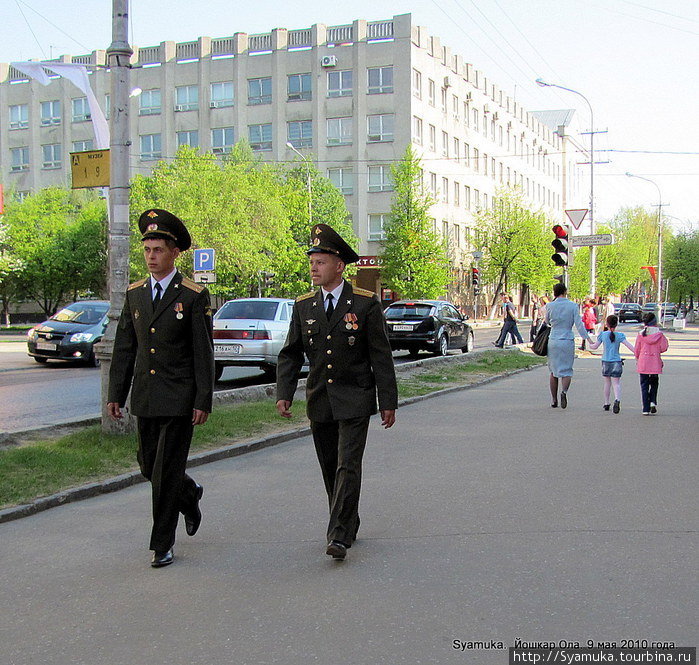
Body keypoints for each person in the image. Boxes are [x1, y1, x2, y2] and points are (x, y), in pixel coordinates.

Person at [276, 223, 398, 562]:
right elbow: (291, 353)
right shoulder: (304, 306)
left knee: (348, 465)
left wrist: (388, 401)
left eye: (321, 261)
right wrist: (283, 392)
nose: (314, 268)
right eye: (312, 261)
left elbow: (380, 356)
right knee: (330, 466)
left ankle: (338, 535)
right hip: (320, 398)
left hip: (356, 397)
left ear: (339, 265)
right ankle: (349, 518)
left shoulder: (364, 303)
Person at [107, 209, 214, 568]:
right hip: (147, 397)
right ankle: (189, 493)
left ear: (174, 253)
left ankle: (161, 544)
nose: (151, 256)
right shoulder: (135, 294)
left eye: (158, 250)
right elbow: (125, 347)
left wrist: (202, 399)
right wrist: (115, 394)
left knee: (165, 472)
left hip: (180, 398)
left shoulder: (193, 295)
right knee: (147, 466)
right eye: (147, 250)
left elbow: (203, 353)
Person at [545, 282, 591, 409]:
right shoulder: (572, 306)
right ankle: (564, 392)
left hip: (553, 339)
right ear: (565, 291)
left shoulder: (550, 305)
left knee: (553, 371)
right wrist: (587, 338)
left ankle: (554, 400)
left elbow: (547, 321)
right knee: (567, 371)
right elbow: (579, 324)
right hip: (567, 340)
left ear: (554, 293)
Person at [587, 314, 635, 413]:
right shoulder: (620, 336)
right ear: (616, 324)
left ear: (607, 324)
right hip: (616, 361)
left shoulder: (603, 335)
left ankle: (606, 402)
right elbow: (631, 347)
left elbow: (594, 347)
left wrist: (588, 340)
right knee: (616, 383)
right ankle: (617, 400)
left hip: (606, 361)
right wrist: (639, 352)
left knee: (607, 383)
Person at [634, 312, 669, 415]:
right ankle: (653, 402)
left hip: (643, 362)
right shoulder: (659, 334)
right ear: (655, 322)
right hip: (655, 362)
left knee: (644, 385)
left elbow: (637, 350)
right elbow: (664, 347)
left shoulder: (641, 334)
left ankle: (645, 408)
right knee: (654, 383)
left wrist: (637, 359)